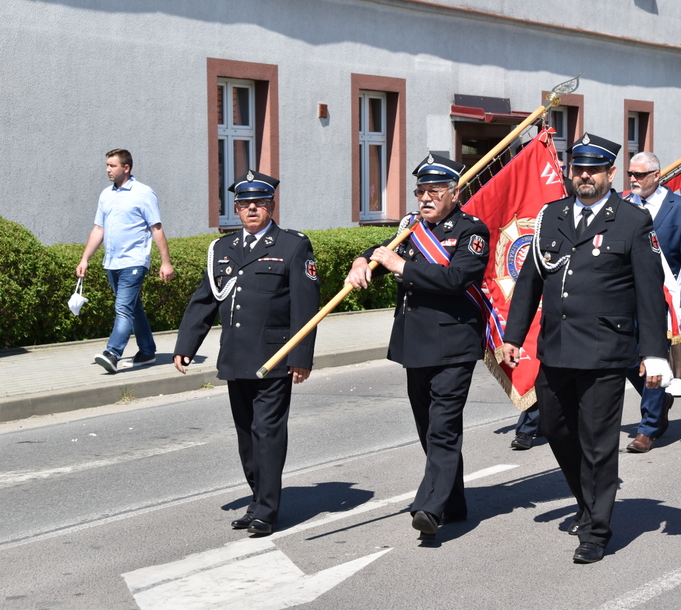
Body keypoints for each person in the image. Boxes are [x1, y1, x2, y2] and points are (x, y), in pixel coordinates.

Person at [499, 133, 669, 563]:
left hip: (604, 351)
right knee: (555, 429)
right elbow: (530, 282)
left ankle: (596, 530)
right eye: (578, 169)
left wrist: (654, 354)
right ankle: (587, 499)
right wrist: (513, 337)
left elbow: (650, 293)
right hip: (556, 348)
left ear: (611, 173)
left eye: (594, 169)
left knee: (598, 442)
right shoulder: (551, 215)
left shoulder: (631, 220)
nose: (585, 176)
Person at [346, 154, 489, 541]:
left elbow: (456, 277)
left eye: (434, 191)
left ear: (455, 193)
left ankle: (430, 506)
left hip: (453, 344)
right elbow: (381, 248)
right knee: (428, 430)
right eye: (420, 191)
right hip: (415, 345)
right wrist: (362, 261)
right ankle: (454, 500)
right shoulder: (411, 228)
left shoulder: (471, 230)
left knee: (443, 429)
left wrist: (400, 266)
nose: (425, 198)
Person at [173, 171, 319, 536]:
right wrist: (186, 346)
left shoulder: (292, 246)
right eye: (244, 204)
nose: (252, 209)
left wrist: (300, 356)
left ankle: (266, 511)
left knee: (267, 432)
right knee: (246, 435)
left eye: (259, 203)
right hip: (236, 358)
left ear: (271, 206)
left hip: (274, 358)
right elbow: (204, 301)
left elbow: (306, 307)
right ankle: (257, 498)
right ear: (236, 210)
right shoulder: (222, 250)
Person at [621, 151, 681, 453]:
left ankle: (649, 427)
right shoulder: (622, 204)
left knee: (653, 358)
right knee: (628, 360)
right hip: (625, 299)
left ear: (657, 175)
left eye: (639, 175)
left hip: (660, 299)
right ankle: (660, 396)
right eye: (630, 173)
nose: (633, 180)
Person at [77, 149, 175, 374]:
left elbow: (156, 228)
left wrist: (165, 262)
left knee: (122, 309)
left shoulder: (143, 193)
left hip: (134, 262)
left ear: (126, 168)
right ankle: (148, 351)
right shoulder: (106, 195)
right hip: (112, 262)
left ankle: (112, 353)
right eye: (107, 165)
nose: (107, 170)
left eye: (112, 166)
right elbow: (98, 228)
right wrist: (85, 259)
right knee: (133, 308)